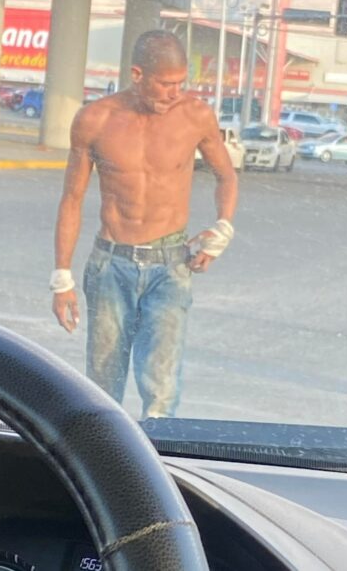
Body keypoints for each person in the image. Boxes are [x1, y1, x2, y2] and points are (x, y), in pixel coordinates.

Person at [51, 30, 238, 418]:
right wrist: (62, 277)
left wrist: (222, 229)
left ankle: (160, 470)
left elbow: (226, 176)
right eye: (166, 83)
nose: (175, 93)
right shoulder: (94, 120)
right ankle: (105, 468)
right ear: (138, 74)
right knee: (102, 388)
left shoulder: (195, 115)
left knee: (162, 389)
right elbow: (72, 199)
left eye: (181, 83)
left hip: (171, 265)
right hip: (110, 265)